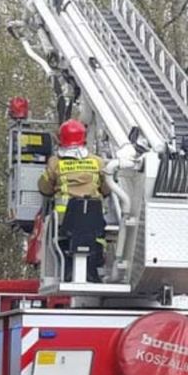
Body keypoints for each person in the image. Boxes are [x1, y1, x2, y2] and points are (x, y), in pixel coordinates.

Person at [37, 119, 111, 282]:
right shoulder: (98, 162)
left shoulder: (55, 163)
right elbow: (107, 189)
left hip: (65, 225)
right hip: (94, 224)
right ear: (83, 138)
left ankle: (68, 271)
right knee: (96, 240)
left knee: (59, 239)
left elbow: (44, 188)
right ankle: (92, 270)